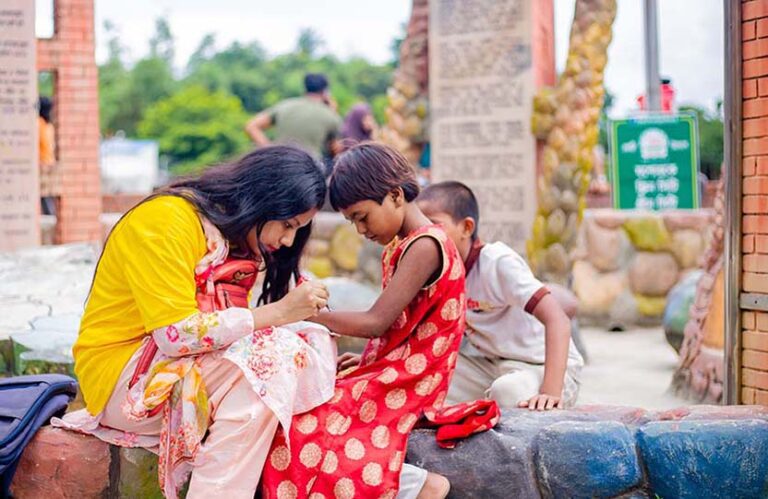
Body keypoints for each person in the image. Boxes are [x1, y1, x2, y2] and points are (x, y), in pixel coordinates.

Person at [53, 145, 337, 498]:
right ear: (262, 199)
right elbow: (175, 335)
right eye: (288, 225)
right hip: (124, 380)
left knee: (310, 339)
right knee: (269, 358)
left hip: (175, 371)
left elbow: (226, 335)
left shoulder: (231, 242)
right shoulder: (166, 220)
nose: (288, 240)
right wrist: (278, 312)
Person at [260, 143, 465, 499]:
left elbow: (376, 322)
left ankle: (421, 488)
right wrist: (372, 358)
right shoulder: (405, 244)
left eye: (362, 216)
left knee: (307, 424)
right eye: (351, 221)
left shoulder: (425, 245)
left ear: (395, 195)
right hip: (400, 367)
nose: (360, 230)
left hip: (415, 380)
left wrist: (306, 315)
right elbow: (403, 325)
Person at [417, 181, 583, 410]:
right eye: (420, 227)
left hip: (539, 366)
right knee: (424, 379)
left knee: (506, 391)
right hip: (490, 365)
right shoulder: (438, 271)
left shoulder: (498, 263)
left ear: (466, 227)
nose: (426, 235)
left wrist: (551, 392)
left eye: (435, 225)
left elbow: (558, 320)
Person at [245, 73, 343, 165]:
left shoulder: (285, 105)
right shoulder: (330, 115)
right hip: (311, 168)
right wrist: (332, 111)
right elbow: (336, 149)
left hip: (280, 163)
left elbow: (251, 126)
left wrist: (270, 150)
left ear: (306, 88)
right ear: (325, 92)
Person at [38, 96, 57, 215]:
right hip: (50, 164)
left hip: (42, 165)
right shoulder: (49, 125)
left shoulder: (38, 124)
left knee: (45, 199)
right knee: (48, 197)